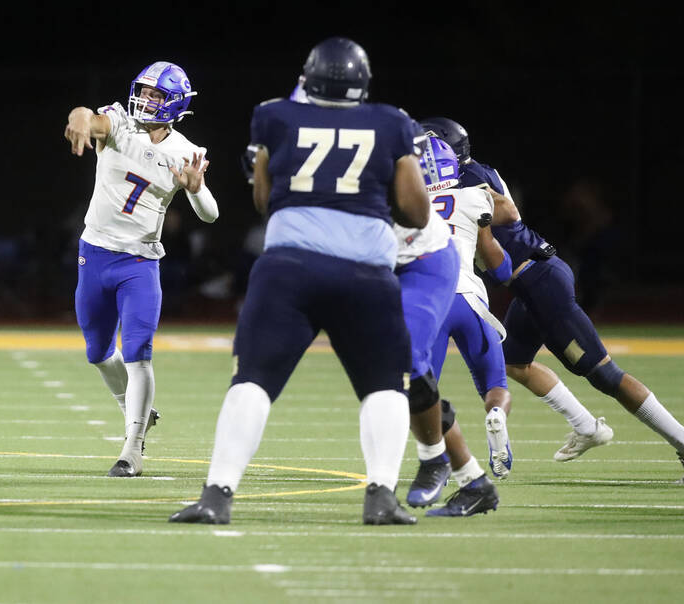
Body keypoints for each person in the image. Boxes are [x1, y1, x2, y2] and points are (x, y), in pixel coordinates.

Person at [170, 37, 430, 526]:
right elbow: (416, 210)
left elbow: (265, 200)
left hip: (289, 269)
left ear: (307, 79)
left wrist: (265, 171)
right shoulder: (392, 121)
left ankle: (216, 496)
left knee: (252, 381)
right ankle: (380, 498)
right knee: (383, 387)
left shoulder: (274, 116)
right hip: (365, 274)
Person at [423, 117, 684, 477]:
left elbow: (507, 214)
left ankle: (682, 441)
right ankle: (586, 426)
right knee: (512, 362)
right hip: (529, 283)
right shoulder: (475, 173)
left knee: (605, 375)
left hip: (539, 279)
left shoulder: (465, 181)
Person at [64, 61, 218, 477]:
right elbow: (89, 118)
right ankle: (132, 408)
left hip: (140, 262)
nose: (146, 100)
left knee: (138, 354)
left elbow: (210, 215)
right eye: (144, 92)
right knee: (98, 352)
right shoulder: (119, 124)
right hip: (94, 255)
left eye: (156, 95)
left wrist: (197, 189)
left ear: (175, 104)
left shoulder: (184, 152)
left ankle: (133, 446)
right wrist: (79, 116)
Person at [422, 136, 514, 478]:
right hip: (470, 301)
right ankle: (497, 418)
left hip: (429, 304)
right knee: (495, 382)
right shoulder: (475, 196)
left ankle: (440, 461)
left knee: (423, 392)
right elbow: (500, 268)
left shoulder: (406, 201)